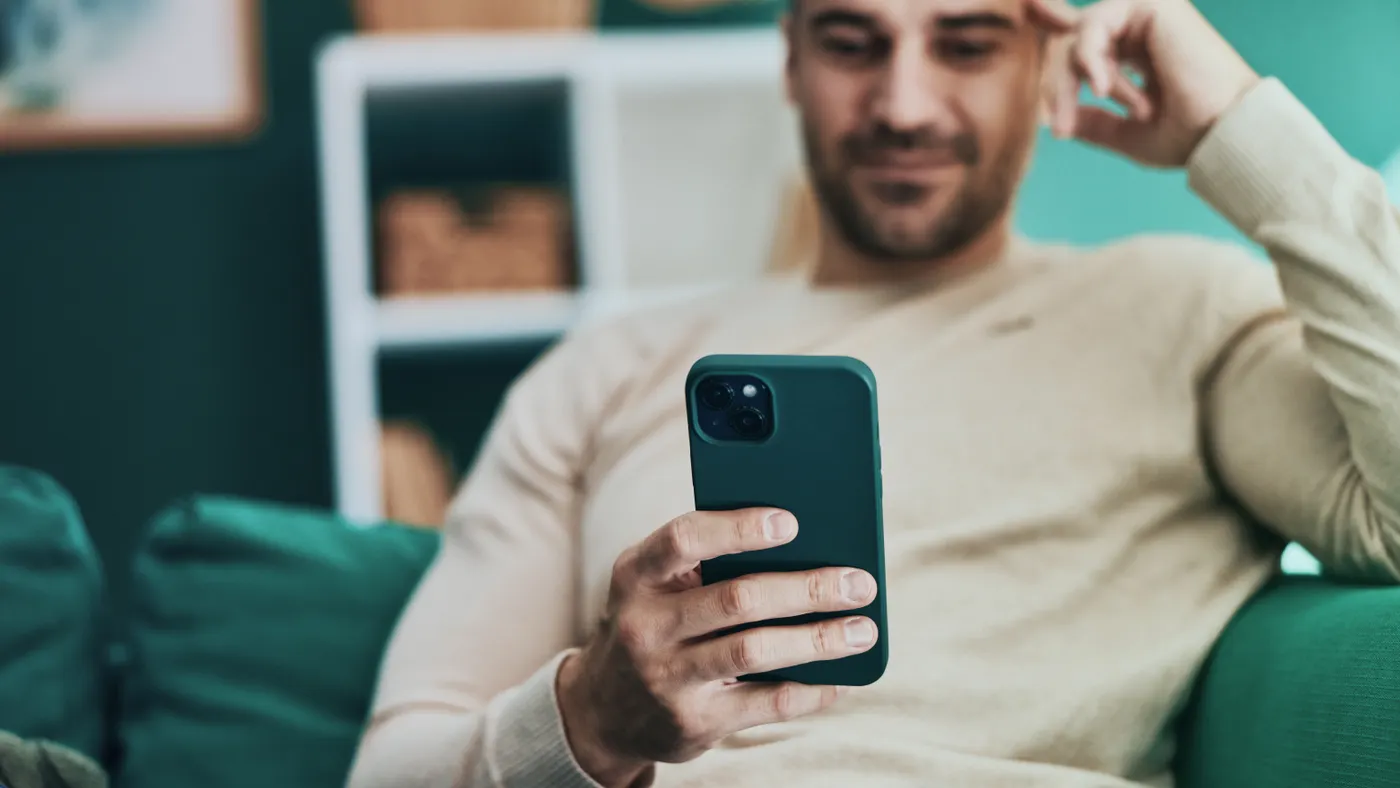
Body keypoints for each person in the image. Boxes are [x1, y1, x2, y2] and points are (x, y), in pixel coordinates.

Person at [346, 0, 1400, 785]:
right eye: (852, 43)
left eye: (966, 42)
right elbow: (391, 766)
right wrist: (590, 718)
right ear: (791, 64)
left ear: (1044, 62)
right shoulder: (598, 372)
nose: (901, 105)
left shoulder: (1185, 311)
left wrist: (1241, 129)